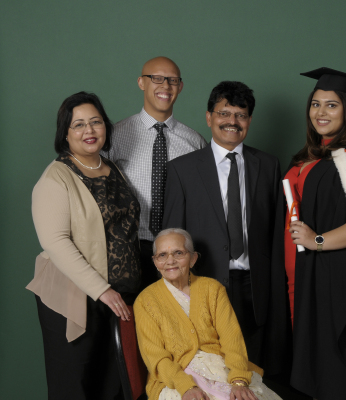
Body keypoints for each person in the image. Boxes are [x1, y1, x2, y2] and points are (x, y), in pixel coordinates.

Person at [278, 68, 346, 400]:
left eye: (331, 105)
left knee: (335, 370)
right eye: (315, 104)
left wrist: (318, 241)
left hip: (338, 279)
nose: (321, 112)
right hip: (306, 278)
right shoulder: (311, 156)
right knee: (312, 369)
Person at [162, 81, 285, 374]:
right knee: (212, 371)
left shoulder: (268, 166)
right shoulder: (182, 169)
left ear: (249, 120)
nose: (232, 121)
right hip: (203, 286)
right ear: (209, 117)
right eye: (224, 113)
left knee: (254, 370)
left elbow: (276, 234)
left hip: (255, 288)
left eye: (240, 115)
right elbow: (172, 238)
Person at [27, 91, 141, 400]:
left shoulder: (112, 168)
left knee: (113, 386)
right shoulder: (55, 178)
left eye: (96, 122)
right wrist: (102, 290)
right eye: (78, 124)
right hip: (74, 296)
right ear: (65, 133)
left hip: (118, 298)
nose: (89, 130)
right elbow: (55, 242)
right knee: (75, 386)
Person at [134, 228, 282, 400]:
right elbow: (156, 358)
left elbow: (232, 340)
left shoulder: (213, 289)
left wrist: (238, 380)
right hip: (174, 378)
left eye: (178, 253)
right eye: (162, 255)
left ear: (193, 258)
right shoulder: (145, 301)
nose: (170, 261)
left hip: (222, 368)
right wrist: (186, 387)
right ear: (155, 262)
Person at [103, 56, 207, 289]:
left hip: (176, 254)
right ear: (141, 82)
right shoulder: (116, 136)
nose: (165, 86)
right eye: (157, 78)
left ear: (180, 86)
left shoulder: (195, 142)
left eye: (172, 80)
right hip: (128, 247)